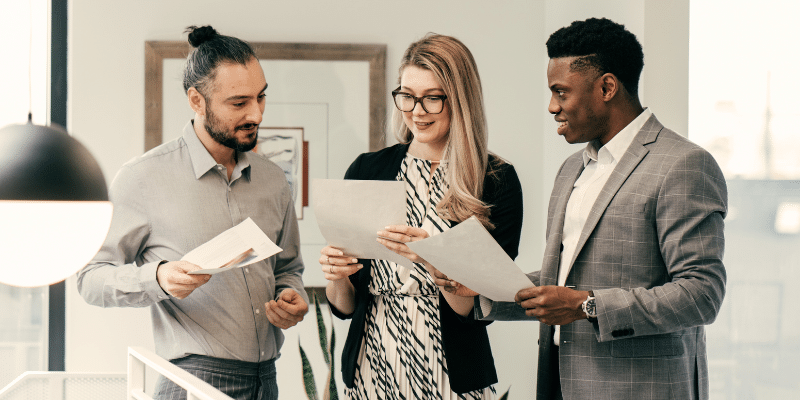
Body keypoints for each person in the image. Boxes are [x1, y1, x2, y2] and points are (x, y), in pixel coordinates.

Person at [471, 18, 727, 400]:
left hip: (640, 389)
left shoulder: (683, 164)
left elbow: (701, 293)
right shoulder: (571, 169)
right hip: (559, 381)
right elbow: (562, 276)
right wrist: (482, 292)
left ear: (607, 87)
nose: (552, 106)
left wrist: (587, 305)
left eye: (561, 92)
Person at [77, 25, 308, 400]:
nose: (256, 114)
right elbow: (90, 280)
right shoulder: (142, 178)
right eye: (238, 103)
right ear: (196, 101)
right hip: (193, 382)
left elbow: (288, 269)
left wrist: (291, 296)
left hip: (267, 381)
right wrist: (158, 278)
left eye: (261, 98)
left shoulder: (271, 178)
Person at [320, 33, 524, 399]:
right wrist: (337, 276)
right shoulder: (367, 169)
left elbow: (479, 305)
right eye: (407, 96)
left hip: (451, 367)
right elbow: (345, 306)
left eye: (432, 98)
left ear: (460, 99)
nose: (416, 110)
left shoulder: (495, 181)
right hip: (372, 359)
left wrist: (434, 257)